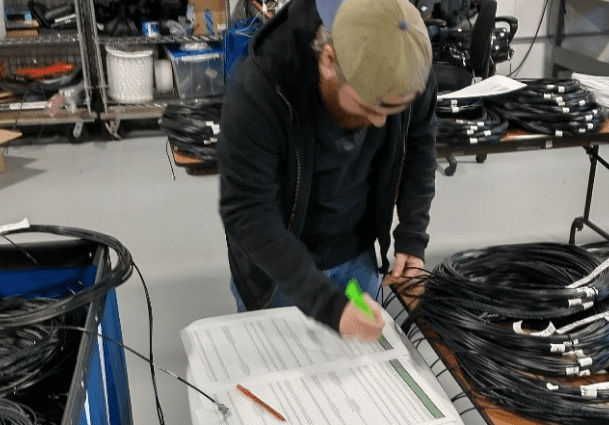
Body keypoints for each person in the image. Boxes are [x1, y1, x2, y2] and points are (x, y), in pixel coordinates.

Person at [218, 0, 437, 341]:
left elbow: (420, 144)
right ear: (330, 61)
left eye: (391, 112)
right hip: (279, 272)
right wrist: (327, 305)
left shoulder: (403, 58)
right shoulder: (261, 87)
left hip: (357, 258)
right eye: (369, 106)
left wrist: (412, 234)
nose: (380, 123)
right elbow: (246, 211)